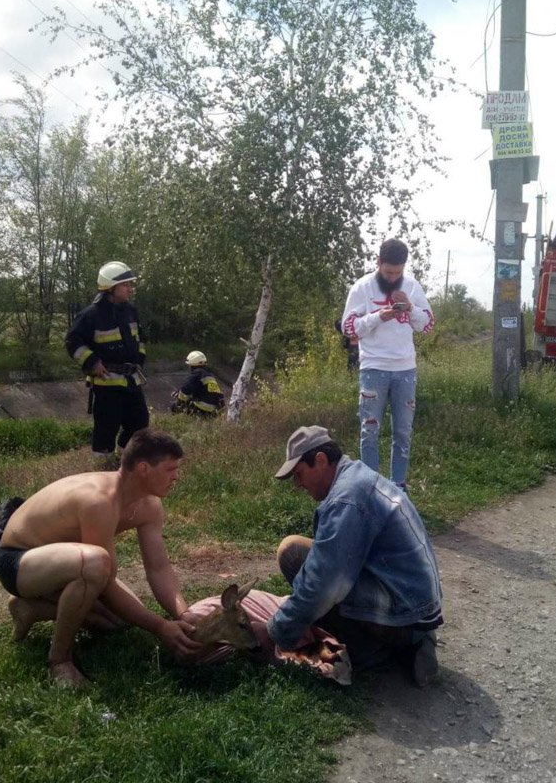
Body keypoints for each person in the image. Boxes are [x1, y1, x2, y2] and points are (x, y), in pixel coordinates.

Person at [0, 428, 202, 687]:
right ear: (143, 469)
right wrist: (160, 627)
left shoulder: (149, 505)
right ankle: (59, 661)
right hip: (19, 561)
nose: (176, 477)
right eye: (170, 469)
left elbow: (158, 568)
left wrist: (182, 613)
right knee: (97, 565)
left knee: (119, 621)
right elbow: (104, 579)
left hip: (63, 562)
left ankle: (30, 609)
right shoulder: (99, 501)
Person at [267, 425, 443, 687]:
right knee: (313, 566)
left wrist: (276, 633)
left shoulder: (346, 499)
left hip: (406, 613)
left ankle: (376, 651)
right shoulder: (357, 478)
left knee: (293, 553)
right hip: (417, 606)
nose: (298, 484)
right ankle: (412, 643)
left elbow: (322, 584)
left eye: (299, 474)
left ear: (320, 460)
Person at [340, 238, 434, 489]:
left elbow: (426, 325)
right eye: (388, 272)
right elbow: (348, 328)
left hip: (405, 369)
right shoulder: (362, 288)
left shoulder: (412, 286)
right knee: (369, 431)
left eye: (397, 272)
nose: (392, 277)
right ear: (378, 262)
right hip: (373, 368)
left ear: (404, 267)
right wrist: (378, 317)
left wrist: (410, 307)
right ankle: (372, 489)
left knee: (403, 431)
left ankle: (398, 487)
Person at [65, 261, 149, 470]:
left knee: (140, 423)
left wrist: (139, 359)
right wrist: (92, 362)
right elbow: (72, 342)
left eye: (130, 284)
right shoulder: (91, 315)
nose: (130, 288)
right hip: (107, 383)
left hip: (131, 380)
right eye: (125, 284)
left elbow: (141, 338)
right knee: (106, 430)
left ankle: (125, 462)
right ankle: (103, 470)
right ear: (111, 287)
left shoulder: (130, 311)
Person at [173, 350, 225, 417]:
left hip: (202, 409)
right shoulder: (209, 375)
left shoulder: (197, 374)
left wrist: (179, 402)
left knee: (174, 408)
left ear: (192, 364)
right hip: (214, 411)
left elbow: (186, 389)